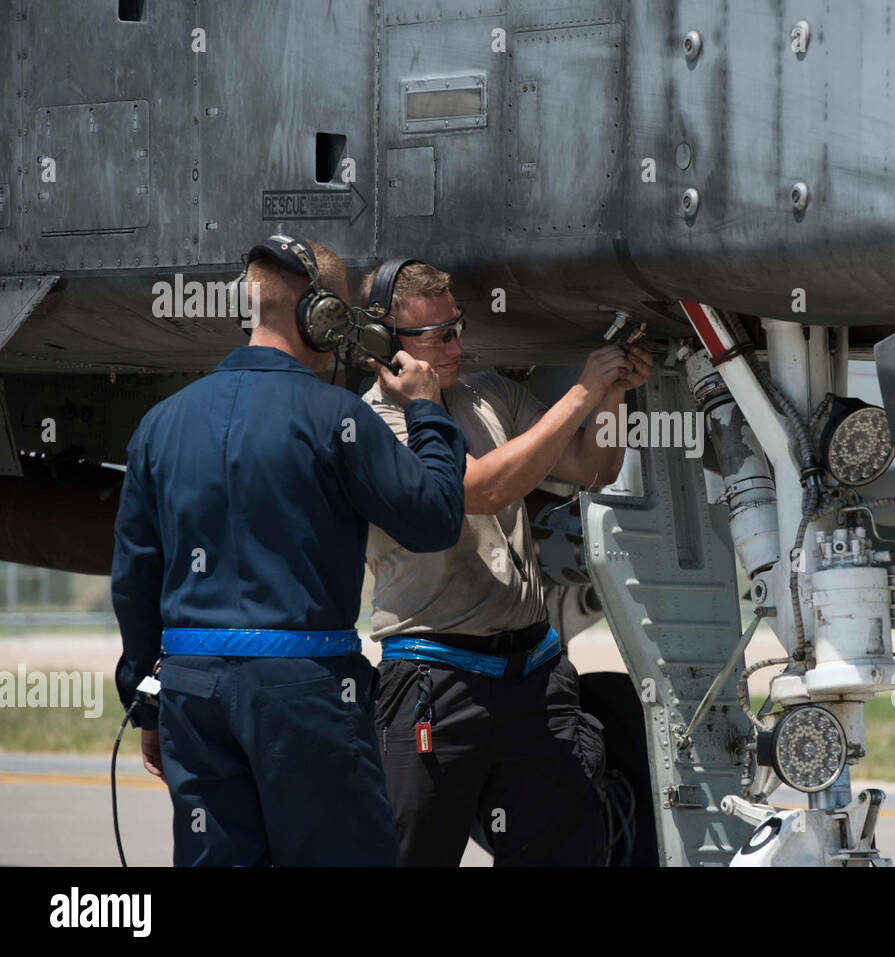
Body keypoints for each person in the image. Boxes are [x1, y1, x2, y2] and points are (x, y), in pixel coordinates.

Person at [111, 235, 467, 865]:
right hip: (305, 692)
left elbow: (135, 581)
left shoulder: (159, 424)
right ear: (322, 315)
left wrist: (148, 706)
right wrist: (427, 412)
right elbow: (435, 518)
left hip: (193, 692)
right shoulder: (336, 418)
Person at [358, 259, 652, 865]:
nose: (454, 345)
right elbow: (481, 490)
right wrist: (582, 391)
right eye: (435, 336)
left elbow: (593, 468)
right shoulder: (376, 423)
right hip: (434, 680)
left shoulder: (490, 395)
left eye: (456, 328)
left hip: (532, 675)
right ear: (387, 345)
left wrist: (614, 394)